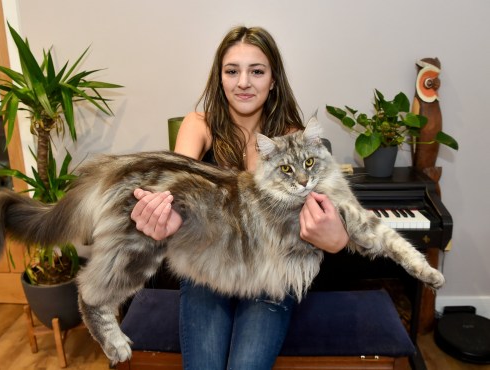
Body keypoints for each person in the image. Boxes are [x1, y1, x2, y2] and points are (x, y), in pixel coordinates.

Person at [131, 26, 349, 370]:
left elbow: (327, 221)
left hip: (269, 272)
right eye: (232, 71)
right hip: (207, 264)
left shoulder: (293, 137)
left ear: (273, 79)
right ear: (220, 78)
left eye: (257, 71)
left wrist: (336, 237)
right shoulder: (198, 125)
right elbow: (174, 190)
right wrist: (162, 215)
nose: (243, 82)